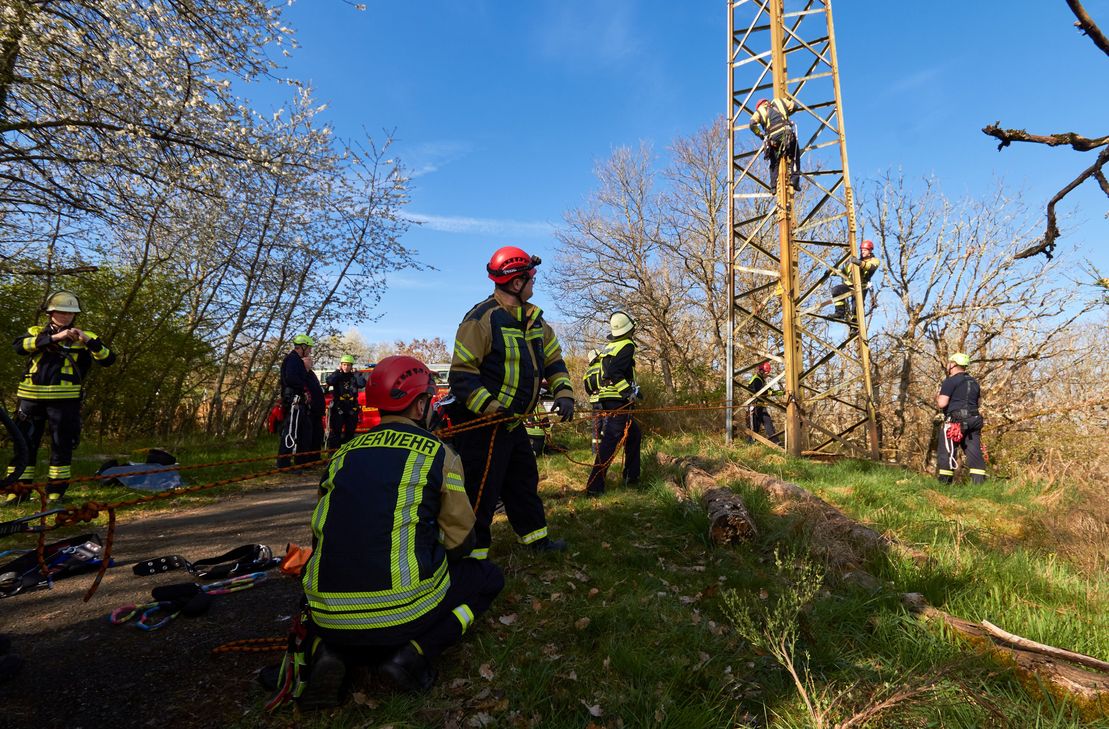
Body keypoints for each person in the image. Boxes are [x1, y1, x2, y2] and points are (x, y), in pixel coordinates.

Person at [287, 356, 504, 709]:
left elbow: (324, 531)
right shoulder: (438, 454)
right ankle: (412, 655)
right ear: (420, 405)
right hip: (403, 614)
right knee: (488, 578)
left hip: (328, 611)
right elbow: (461, 539)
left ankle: (324, 651)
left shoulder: (342, 454)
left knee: (322, 601)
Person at [447, 246, 574, 557]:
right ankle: (472, 554)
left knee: (522, 480)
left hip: (512, 422)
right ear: (517, 283)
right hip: (482, 424)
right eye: (531, 278)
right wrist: (493, 410)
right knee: (480, 489)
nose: (534, 284)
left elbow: (554, 361)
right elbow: (462, 376)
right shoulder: (481, 320)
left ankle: (536, 540)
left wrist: (564, 393)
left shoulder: (536, 321)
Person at [5, 291, 116, 503]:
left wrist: (87, 341)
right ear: (51, 313)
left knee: (61, 446)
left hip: (65, 401)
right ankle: (18, 492)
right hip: (30, 399)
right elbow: (19, 346)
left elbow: (108, 359)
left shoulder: (87, 337)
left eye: (70, 313)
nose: (66, 317)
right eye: (62, 312)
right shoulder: (36, 333)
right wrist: (56, 337)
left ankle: (55, 493)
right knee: (24, 445)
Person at [585, 312, 642, 496]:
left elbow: (613, 372)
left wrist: (635, 392)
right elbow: (614, 372)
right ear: (630, 329)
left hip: (608, 399)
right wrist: (627, 393)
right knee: (610, 441)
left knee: (634, 434)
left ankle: (632, 477)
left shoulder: (610, 346)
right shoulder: (627, 345)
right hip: (618, 401)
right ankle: (594, 486)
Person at [935, 352, 987, 485]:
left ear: (953, 365)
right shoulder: (974, 382)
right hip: (974, 420)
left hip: (956, 421)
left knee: (946, 451)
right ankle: (979, 485)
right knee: (974, 451)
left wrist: (938, 396)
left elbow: (942, 403)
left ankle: (944, 484)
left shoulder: (950, 381)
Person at [276, 334, 324, 468]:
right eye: (308, 348)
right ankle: (283, 463)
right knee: (290, 432)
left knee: (305, 432)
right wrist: (303, 389)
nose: (310, 351)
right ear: (302, 347)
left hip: (300, 402)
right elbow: (291, 379)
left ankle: (302, 462)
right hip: (294, 401)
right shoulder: (293, 360)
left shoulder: (296, 360)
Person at [749, 97, 801, 191]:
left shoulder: (759, 111)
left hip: (773, 139)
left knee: (774, 162)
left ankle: (773, 187)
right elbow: (795, 107)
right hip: (786, 134)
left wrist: (760, 134)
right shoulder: (780, 101)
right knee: (794, 155)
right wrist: (786, 115)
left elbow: (752, 124)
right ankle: (794, 181)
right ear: (767, 101)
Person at [830, 239, 880, 323]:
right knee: (836, 290)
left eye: (865, 250)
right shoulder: (853, 262)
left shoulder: (874, 260)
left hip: (862, 286)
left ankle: (855, 325)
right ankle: (839, 313)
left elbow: (870, 267)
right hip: (850, 284)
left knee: (856, 306)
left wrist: (858, 263)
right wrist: (833, 272)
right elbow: (844, 271)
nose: (862, 252)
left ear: (870, 251)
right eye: (861, 250)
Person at [325, 355, 366, 449]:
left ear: (352, 366)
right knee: (336, 432)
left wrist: (357, 374)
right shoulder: (337, 375)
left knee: (350, 432)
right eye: (344, 365)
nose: (346, 367)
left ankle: (348, 453)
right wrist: (336, 371)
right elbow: (329, 381)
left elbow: (362, 384)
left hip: (351, 407)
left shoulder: (354, 376)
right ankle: (333, 453)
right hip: (339, 407)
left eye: (348, 365)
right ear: (341, 365)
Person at [746, 361, 782, 445]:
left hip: (761, 407)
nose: (767, 375)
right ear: (761, 371)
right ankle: (750, 444)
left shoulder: (762, 380)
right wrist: (771, 393)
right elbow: (758, 392)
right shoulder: (756, 379)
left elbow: (768, 390)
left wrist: (778, 392)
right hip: (755, 406)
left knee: (768, 423)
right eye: (766, 372)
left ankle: (776, 442)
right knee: (754, 427)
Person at [582, 349, 604, 455]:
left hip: (594, 401)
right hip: (604, 399)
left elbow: (587, 389)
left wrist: (593, 393)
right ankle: (607, 449)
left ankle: (595, 452)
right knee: (607, 424)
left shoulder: (587, 372)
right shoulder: (603, 366)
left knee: (596, 426)